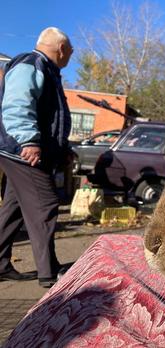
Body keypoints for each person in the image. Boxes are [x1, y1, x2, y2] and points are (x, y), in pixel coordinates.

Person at [0, 27, 73, 288]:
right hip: (23, 152)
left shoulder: (47, 70)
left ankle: (0, 263)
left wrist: (63, 149)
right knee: (45, 204)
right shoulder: (31, 63)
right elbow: (17, 103)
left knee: (14, 208)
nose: (70, 58)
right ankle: (49, 273)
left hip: (21, 152)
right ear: (61, 49)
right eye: (70, 52)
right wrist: (29, 141)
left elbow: (53, 119)